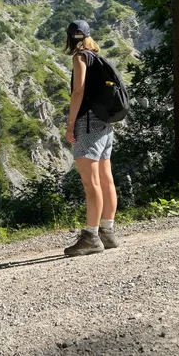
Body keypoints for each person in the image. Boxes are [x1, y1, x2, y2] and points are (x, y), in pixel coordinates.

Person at [63, 20, 119, 257]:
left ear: (70, 38)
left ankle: (91, 236)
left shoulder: (80, 58)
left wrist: (71, 123)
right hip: (105, 124)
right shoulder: (97, 58)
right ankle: (107, 231)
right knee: (106, 179)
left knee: (91, 182)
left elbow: (78, 91)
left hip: (87, 124)